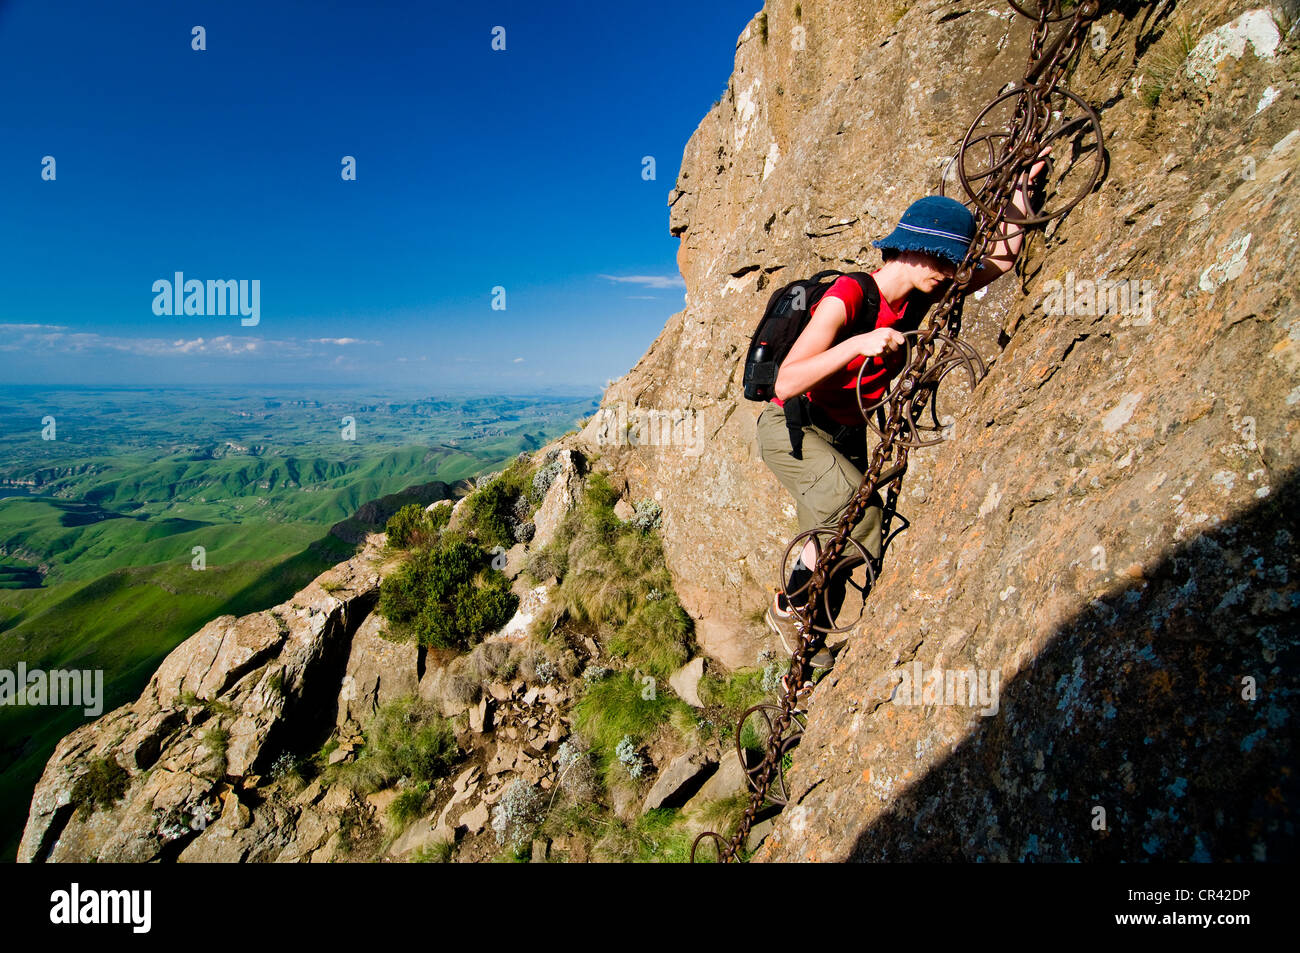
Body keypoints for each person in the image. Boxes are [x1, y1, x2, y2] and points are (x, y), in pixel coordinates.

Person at [756, 150, 1049, 690]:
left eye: (955, 266)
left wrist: (1023, 193)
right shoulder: (848, 295)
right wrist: (860, 344)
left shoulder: (916, 299)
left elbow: (1001, 262)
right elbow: (786, 381)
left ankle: (809, 651)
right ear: (915, 251)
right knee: (857, 518)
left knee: (829, 534)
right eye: (945, 262)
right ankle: (788, 603)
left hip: (844, 431)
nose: (951, 275)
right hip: (793, 427)